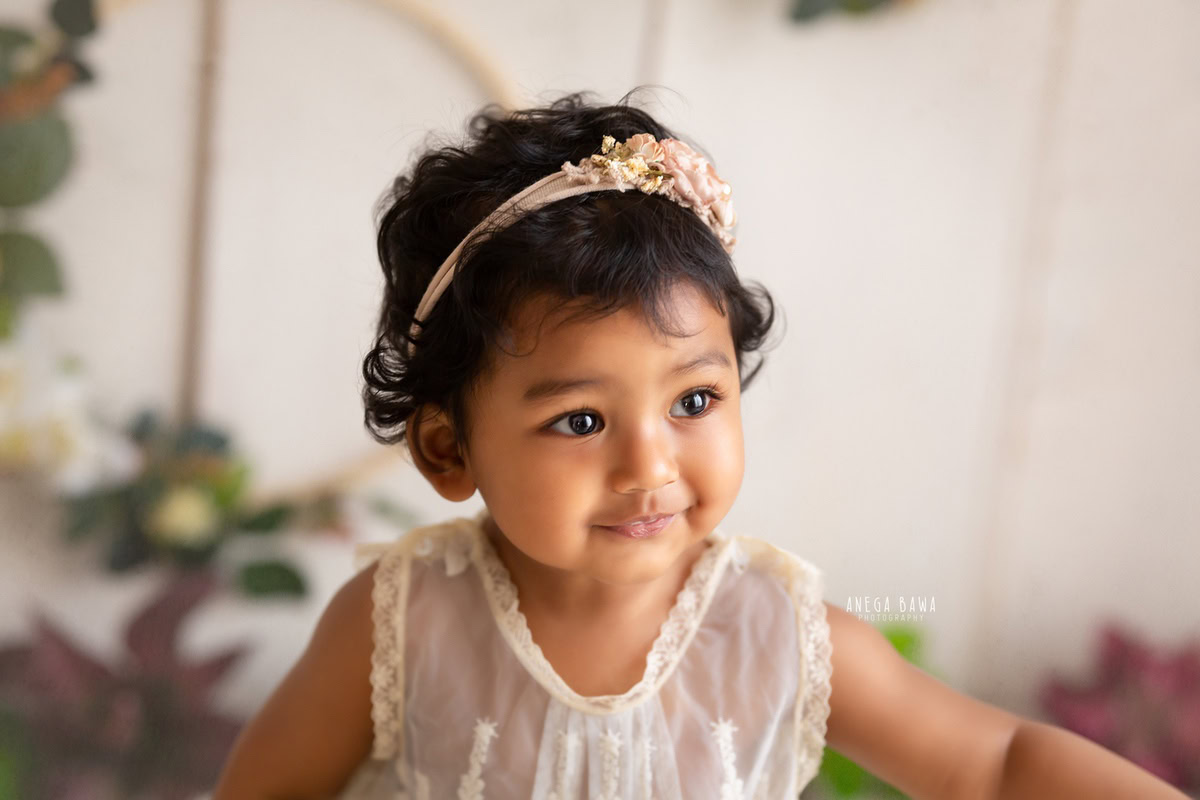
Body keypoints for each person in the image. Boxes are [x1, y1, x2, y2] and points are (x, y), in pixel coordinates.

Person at [211, 90, 1188, 799]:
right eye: (581, 420)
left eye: (694, 399)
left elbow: (1000, 763)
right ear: (447, 448)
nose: (651, 467)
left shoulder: (780, 635)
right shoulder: (400, 621)